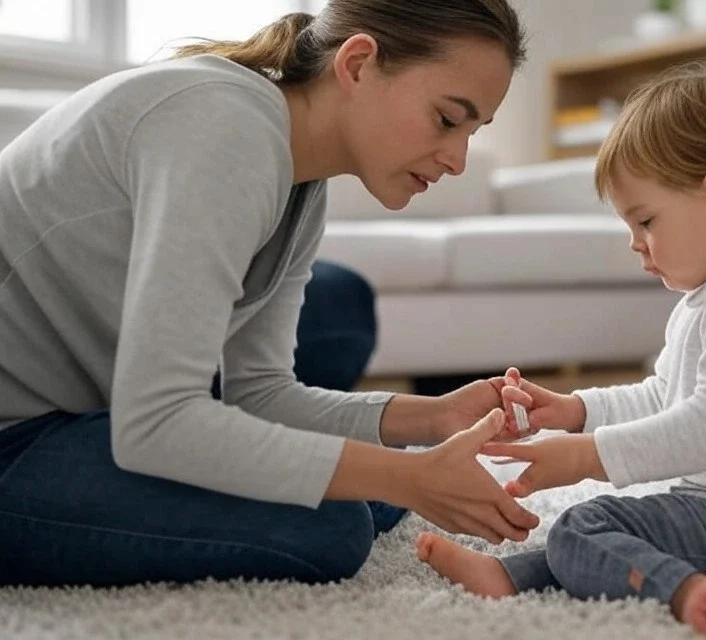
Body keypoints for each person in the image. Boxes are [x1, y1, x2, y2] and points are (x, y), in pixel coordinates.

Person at [0, 0, 541, 587]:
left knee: (374, 489)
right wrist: (403, 477)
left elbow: (258, 396)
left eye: (472, 131)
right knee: (333, 525)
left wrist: (433, 417)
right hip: (17, 433)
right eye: (446, 119)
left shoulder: (299, 182)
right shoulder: (222, 130)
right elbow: (156, 424)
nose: (458, 161)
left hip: (81, 413)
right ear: (357, 63)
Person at [416, 71, 706, 637]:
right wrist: (576, 411)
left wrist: (584, 456)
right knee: (603, 534)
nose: (634, 242)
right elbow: (662, 398)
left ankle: (685, 593)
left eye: (645, 220)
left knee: (586, 525)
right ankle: (512, 579)